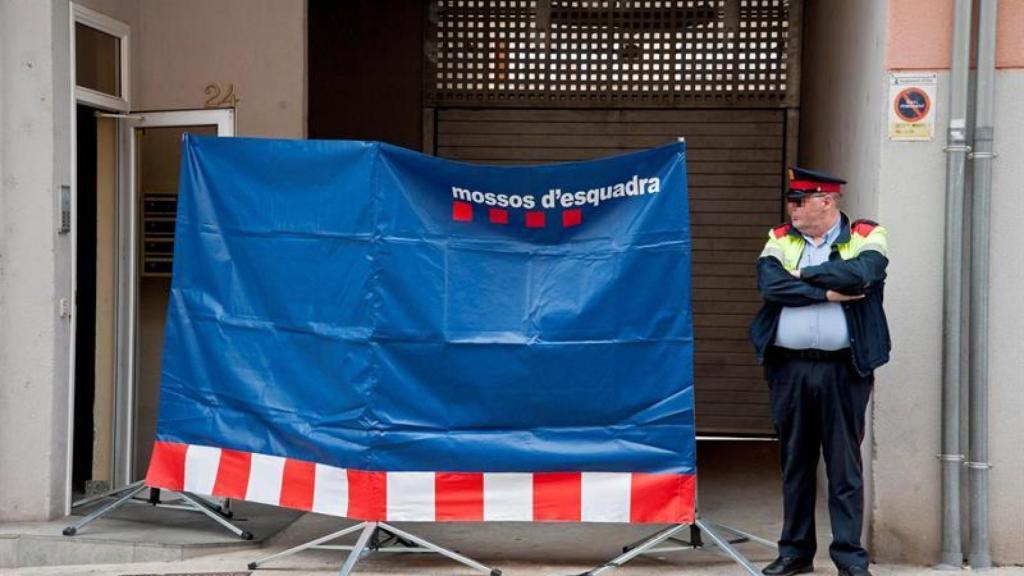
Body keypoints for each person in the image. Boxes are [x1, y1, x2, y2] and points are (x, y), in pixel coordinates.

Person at [750, 167, 891, 576]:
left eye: (799, 200)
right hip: (789, 369)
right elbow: (770, 286)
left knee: (844, 466)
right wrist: (827, 293)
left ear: (826, 201)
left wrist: (803, 275)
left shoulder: (866, 234)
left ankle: (849, 557)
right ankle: (795, 553)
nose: (790, 207)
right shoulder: (780, 238)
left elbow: (863, 274)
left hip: (843, 370)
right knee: (796, 463)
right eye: (791, 200)